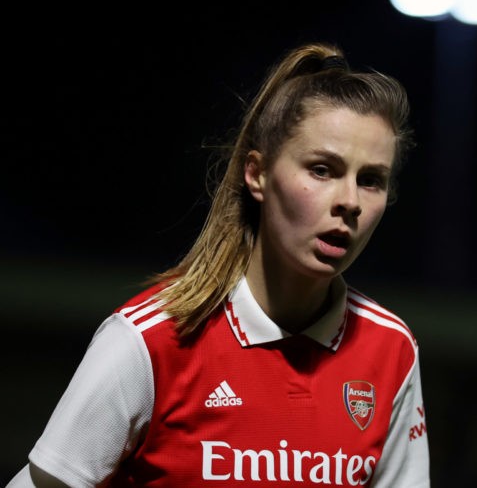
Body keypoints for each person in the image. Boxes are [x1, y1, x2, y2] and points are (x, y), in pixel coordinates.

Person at [8, 42, 430, 487]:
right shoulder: (152, 339)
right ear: (258, 174)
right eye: (322, 169)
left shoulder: (391, 350)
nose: (349, 202)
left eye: (371, 180)